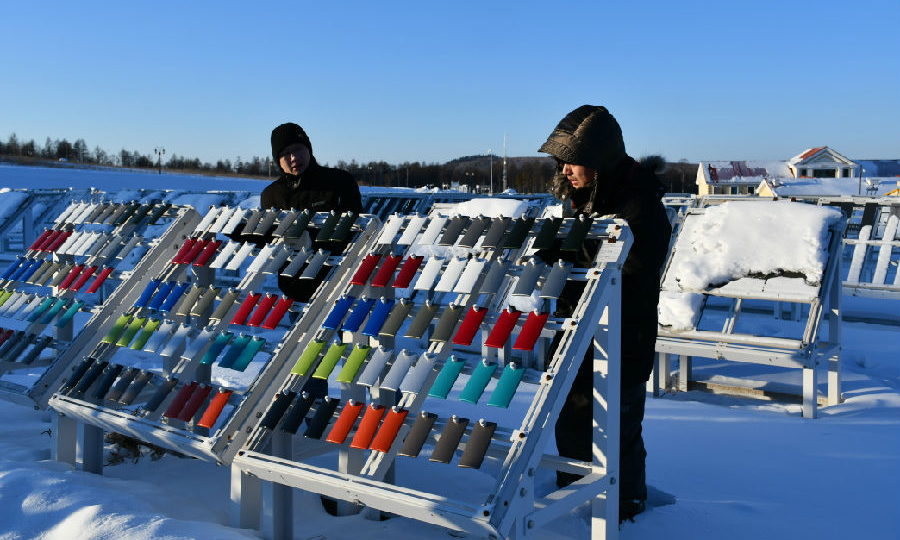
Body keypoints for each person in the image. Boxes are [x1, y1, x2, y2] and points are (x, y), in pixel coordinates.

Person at [538, 105, 671, 523]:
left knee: (617, 427)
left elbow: (631, 273)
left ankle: (624, 508)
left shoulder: (640, 207)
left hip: (621, 337)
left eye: (573, 161)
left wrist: (572, 253)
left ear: (601, 161)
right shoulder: (584, 202)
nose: (565, 170)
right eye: (561, 161)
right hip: (573, 332)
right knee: (571, 415)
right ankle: (574, 497)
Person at [261, 122, 364, 303]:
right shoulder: (271, 195)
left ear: (309, 150)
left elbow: (356, 231)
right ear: (277, 160)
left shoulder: (339, 182)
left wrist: (314, 240)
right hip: (294, 288)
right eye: (286, 153)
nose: (293, 157)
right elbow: (266, 241)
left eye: (298, 149)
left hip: (339, 284)